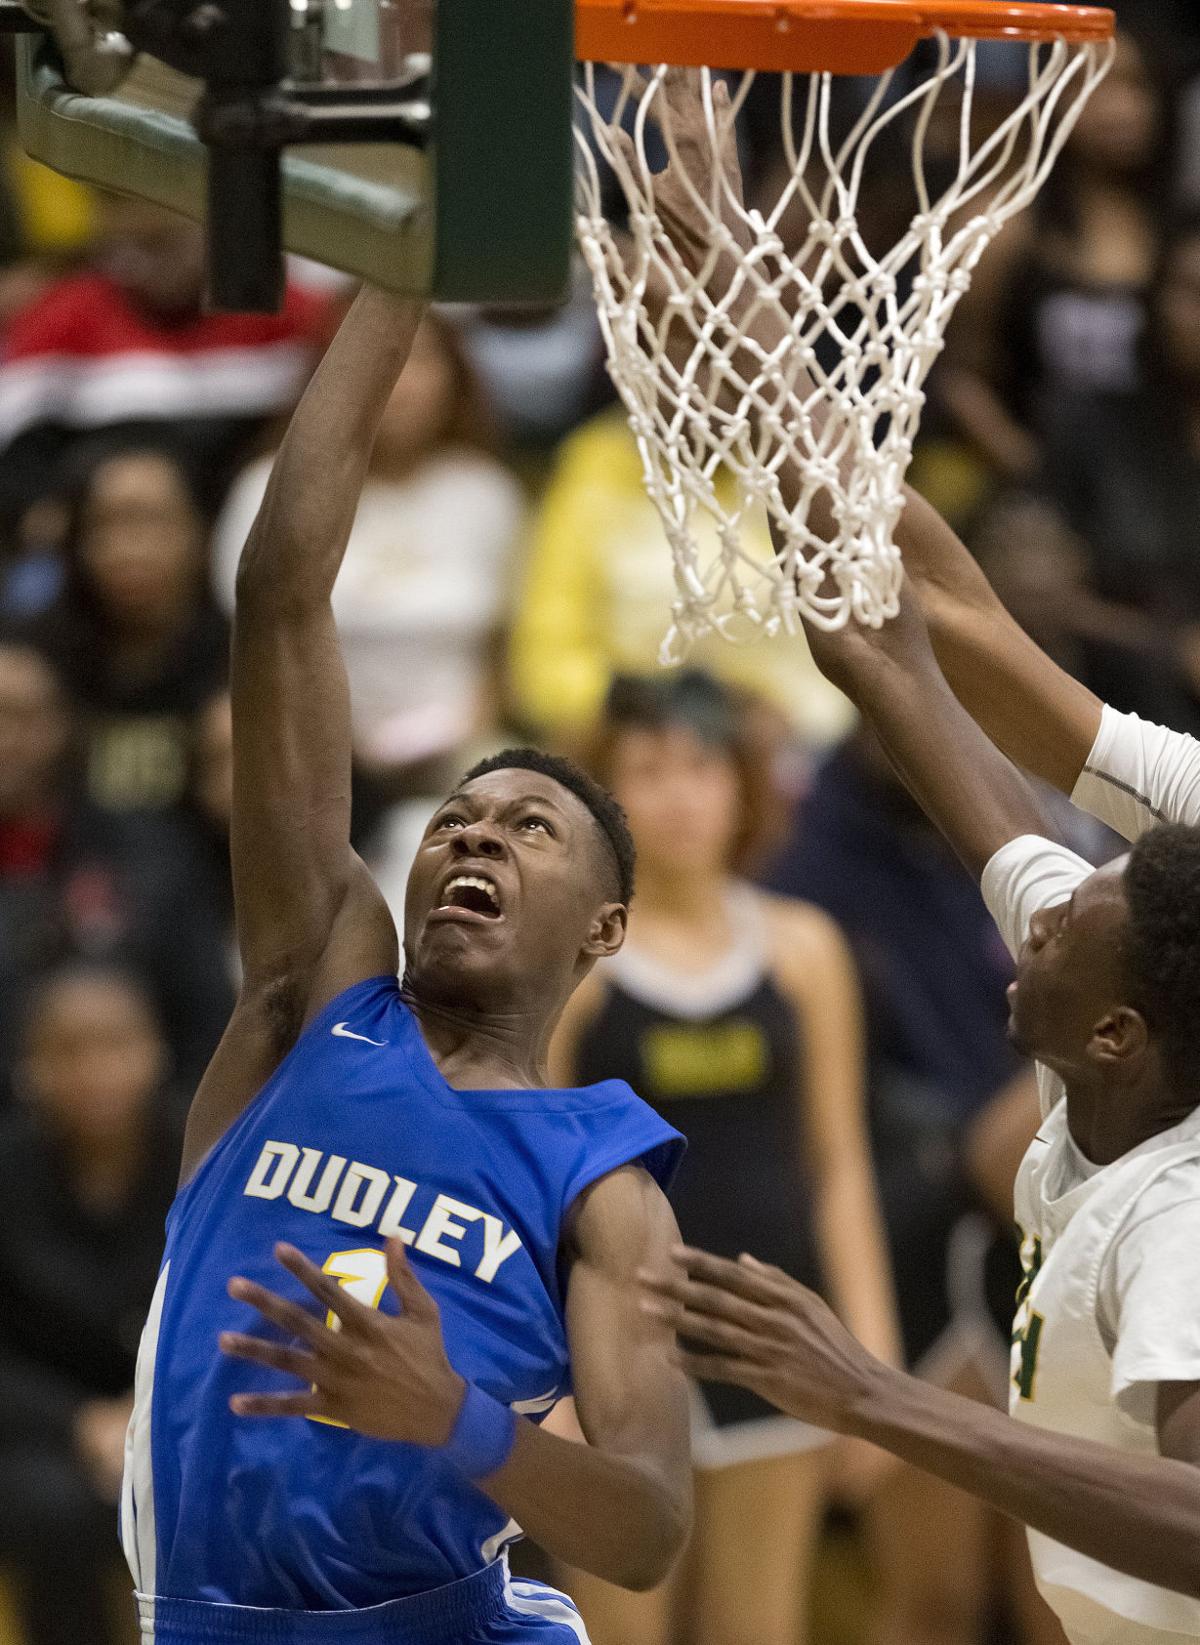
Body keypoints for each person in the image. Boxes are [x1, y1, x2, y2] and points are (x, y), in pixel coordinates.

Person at [642, 73, 1200, 1645]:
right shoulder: (1125, 945)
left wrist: (870, 1397)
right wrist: (740, 298)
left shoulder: (1184, 1210)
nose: (1044, 886)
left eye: (1071, 900)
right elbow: (906, 628)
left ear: (1116, 1030)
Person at [120, 286, 694, 1645]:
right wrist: (401, 269)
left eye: (528, 827)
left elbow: (650, 1525)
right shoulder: (315, 997)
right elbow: (279, 595)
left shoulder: (602, 1181)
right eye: (455, 822)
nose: (474, 839)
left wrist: (458, 1419)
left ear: (603, 927)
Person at [548, 671, 898, 1645]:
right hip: (611, 1350)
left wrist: (867, 1354)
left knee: (762, 1628)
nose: (678, 795)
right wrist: (543, 1386)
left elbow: (838, 1164)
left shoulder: (805, 950)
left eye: (702, 768)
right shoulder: (573, 965)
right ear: (603, 798)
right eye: (647, 770)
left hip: (769, 1334)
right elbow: (529, 1190)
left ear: (745, 785)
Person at [0, 963, 180, 1645]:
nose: (95, 1068)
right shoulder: (9, 1171)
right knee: (49, 1508)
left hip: (177, 1415)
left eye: (115, 1043)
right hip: (46, 1429)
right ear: (31, 1066)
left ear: (156, 1050)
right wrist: (79, 1421)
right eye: (68, 1050)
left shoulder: (203, 1156)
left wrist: (144, 1417)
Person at [0, 635, 234, 1103]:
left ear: (60, 724)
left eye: (18, 716)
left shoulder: (152, 854)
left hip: (152, 1143)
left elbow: (208, 1032)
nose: (3, 739)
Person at [0, 196, 327, 525]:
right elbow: (18, 442)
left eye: (174, 242)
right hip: (99, 531)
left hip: (249, 518)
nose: (160, 265)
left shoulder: (281, 308)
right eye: (143, 247)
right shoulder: (66, 315)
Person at [27, 441, 229, 815]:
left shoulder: (250, 663)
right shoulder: (35, 665)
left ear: (202, 532)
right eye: (108, 523)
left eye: (151, 520)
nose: (130, 548)